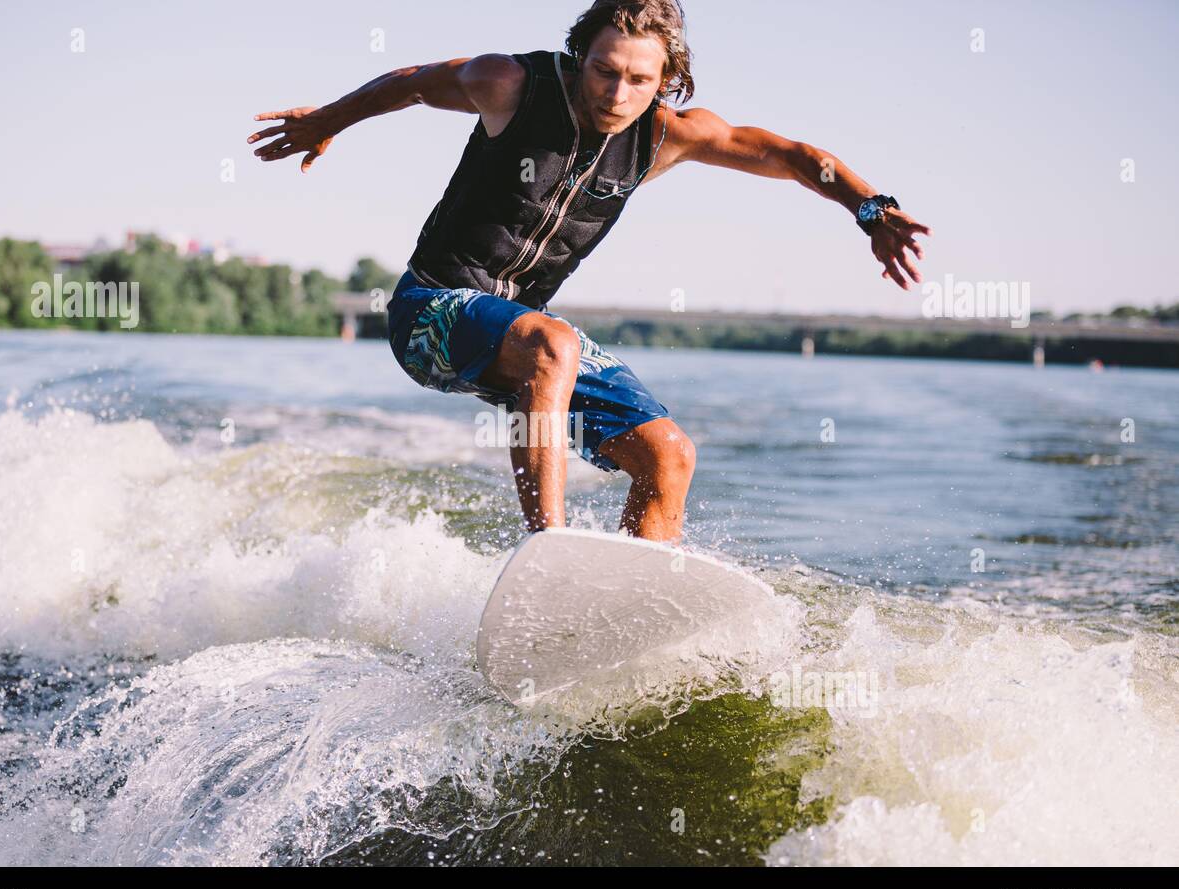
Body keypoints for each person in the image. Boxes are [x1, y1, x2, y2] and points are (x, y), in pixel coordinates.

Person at [248, 0, 931, 543]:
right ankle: (548, 553)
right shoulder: (510, 82)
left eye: (639, 79)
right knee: (555, 343)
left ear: (667, 81)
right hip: (429, 312)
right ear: (582, 59)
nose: (616, 91)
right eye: (605, 70)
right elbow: (413, 85)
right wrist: (325, 122)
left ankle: (635, 615)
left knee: (668, 455)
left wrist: (870, 208)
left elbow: (786, 155)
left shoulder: (666, 135)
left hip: (525, 339)